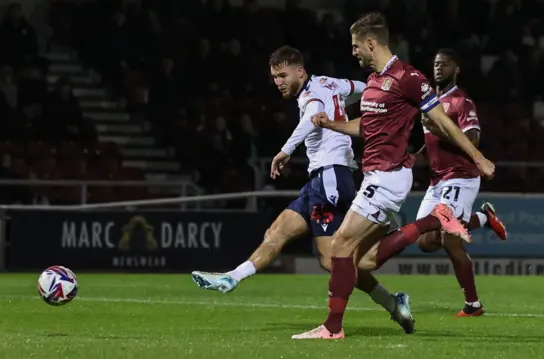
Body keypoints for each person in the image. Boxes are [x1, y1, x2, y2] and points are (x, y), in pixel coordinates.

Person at [292, 13, 495, 340]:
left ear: (371, 43)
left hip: (387, 176)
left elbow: (442, 122)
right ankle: (431, 221)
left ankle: (332, 328)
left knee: (339, 246)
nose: (354, 52)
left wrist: (478, 157)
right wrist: (329, 124)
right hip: (376, 175)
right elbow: (364, 126)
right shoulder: (373, 83)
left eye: (356, 46)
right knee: (363, 262)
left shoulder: (408, 77)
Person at [191, 46, 415, 334]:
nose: (278, 82)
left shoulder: (310, 94)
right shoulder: (331, 83)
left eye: (283, 75)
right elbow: (363, 89)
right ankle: (232, 278)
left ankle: (389, 292)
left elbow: (312, 116)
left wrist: (284, 151)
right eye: (274, 77)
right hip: (319, 180)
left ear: (300, 71)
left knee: (334, 260)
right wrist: (360, 104)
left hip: (331, 176)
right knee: (277, 232)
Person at [412, 48, 508, 317]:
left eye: (445, 64)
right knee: (424, 240)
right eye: (436, 63)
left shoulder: (461, 102)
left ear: (457, 69)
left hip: (461, 176)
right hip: (436, 180)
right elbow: (429, 141)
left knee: (449, 237)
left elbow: (473, 140)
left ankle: (473, 304)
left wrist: (438, 130)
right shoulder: (430, 103)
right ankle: (483, 219)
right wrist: (414, 157)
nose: (438, 67)